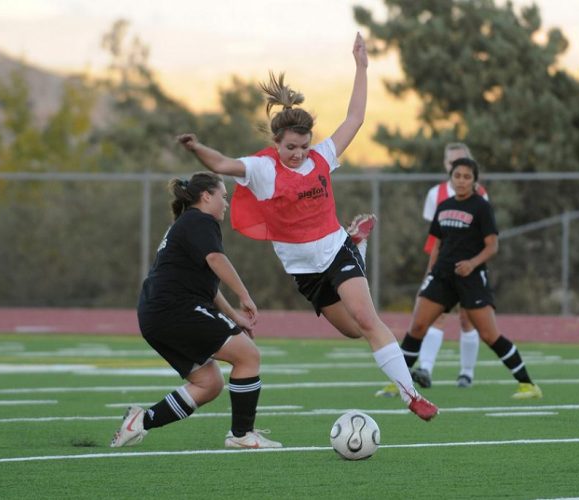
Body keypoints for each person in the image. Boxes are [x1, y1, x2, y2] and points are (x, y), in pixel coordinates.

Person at [176, 33, 438, 421]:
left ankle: (411, 394)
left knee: (368, 321)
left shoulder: (322, 156)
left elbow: (355, 118)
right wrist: (197, 148)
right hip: (305, 270)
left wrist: (362, 66)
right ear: (276, 143)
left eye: (304, 146)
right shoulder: (263, 168)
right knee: (351, 331)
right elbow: (223, 165)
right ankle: (359, 244)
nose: (299, 155)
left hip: (335, 250)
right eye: (291, 148)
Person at [110, 171, 282, 449]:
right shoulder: (201, 220)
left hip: (158, 314)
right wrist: (244, 295)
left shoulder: (187, 223)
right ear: (206, 196)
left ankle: (140, 422)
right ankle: (241, 435)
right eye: (223, 197)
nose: (226, 203)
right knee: (248, 355)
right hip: (175, 310)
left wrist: (234, 315)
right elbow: (216, 259)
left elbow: (207, 286)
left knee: (208, 384)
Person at [386, 158, 543, 400]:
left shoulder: (481, 207)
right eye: (457, 175)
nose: (461, 180)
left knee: (490, 335)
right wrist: (429, 275)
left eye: (467, 177)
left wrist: (472, 264)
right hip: (442, 277)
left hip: (471, 279)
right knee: (417, 327)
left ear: (474, 181)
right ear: (451, 177)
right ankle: (399, 384)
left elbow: (492, 246)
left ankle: (528, 385)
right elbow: (437, 245)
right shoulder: (444, 205)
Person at [376, 143, 486, 398]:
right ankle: (425, 369)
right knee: (434, 315)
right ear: (446, 166)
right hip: (443, 266)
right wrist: (432, 269)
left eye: (461, 162)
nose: (455, 168)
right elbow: (436, 238)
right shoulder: (435, 194)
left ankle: (466, 372)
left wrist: (474, 264)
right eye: (451, 164)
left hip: (468, 266)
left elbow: (483, 234)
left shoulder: (480, 195)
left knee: (467, 318)